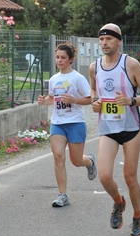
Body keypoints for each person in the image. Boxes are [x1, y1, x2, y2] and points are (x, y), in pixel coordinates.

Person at [89, 23, 140, 236]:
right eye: (101, 39)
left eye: (108, 39)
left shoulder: (131, 64)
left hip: (130, 128)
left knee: (129, 177)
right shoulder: (94, 66)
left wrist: (130, 100)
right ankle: (119, 202)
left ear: (119, 41)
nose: (104, 43)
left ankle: (138, 217)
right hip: (108, 127)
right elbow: (93, 91)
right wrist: (95, 102)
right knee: (105, 176)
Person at [37, 42, 97, 207]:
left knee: (76, 160)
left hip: (76, 122)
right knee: (58, 156)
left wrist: (73, 100)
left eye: (63, 57)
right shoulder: (54, 79)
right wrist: (45, 101)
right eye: (57, 57)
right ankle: (62, 195)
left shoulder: (78, 78)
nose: (59, 60)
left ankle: (89, 162)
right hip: (58, 123)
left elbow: (89, 99)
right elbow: (52, 98)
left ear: (71, 59)